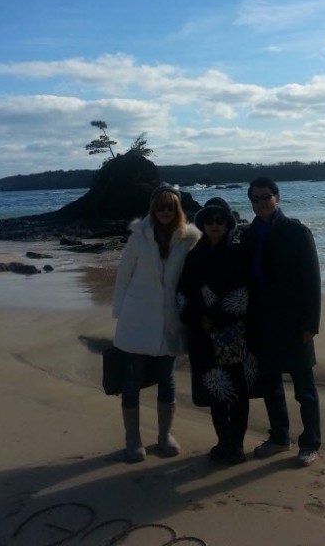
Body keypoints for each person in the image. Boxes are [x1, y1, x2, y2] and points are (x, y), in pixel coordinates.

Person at [112, 183, 200, 462]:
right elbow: (123, 276)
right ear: (152, 209)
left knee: (167, 378)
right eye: (160, 207)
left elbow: (197, 275)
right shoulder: (138, 237)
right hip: (137, 316)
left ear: (177, 209)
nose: (165, 211)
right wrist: (119, 313)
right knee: (132, 378)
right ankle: (133, 438)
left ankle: (165, 435)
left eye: (170, 207)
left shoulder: (188, 239)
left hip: (169, 317)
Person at [240, 177, 321, 467]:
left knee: (305, 389)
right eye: (255, 199)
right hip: (261, 322)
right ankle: (279, 437)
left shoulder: (297, 232)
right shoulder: (249, 235)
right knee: (270, 386)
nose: (260, 203)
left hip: (294, 323)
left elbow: (312, 281)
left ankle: (310, 443)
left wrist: (311, 325)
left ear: (277, 197)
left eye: (265, 197)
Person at [177, 198, 258, 465]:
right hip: (202, 334)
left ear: (228, 224)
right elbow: (183, 292)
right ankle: (223, 441)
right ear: (202, 224)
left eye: (220, 220)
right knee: (216, 390)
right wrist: (197, 318)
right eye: (209, 221)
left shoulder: (238, 253)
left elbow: (244, 291)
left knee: (239, 391)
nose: (214, 225)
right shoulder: (193, 256)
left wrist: (217, 319)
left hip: (234, 334)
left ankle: (237, 445)